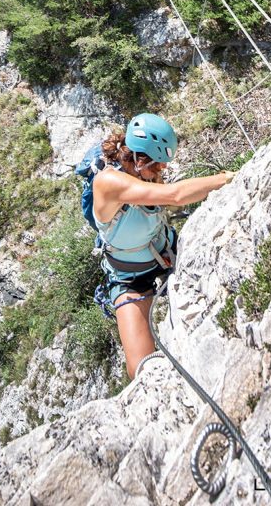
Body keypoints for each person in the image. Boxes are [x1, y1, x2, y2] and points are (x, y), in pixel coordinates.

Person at [92, 113, 237, 379]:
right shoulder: (107, 183)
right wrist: (225, 178)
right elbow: (175, 195)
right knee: (141, 370)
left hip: (167, 250)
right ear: (138, 158)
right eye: (158, 165)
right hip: (129, 279)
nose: (163, 170)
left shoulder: (146, 173)